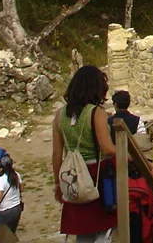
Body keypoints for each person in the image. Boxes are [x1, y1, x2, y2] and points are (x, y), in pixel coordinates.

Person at [52, 65, 117, 243]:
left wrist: (58, 183)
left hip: (73, 175)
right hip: (98, 173)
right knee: (105, 226)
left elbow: (57, 153)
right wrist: (130, 155)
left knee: (83, 229)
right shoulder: (96, 113)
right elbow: (108, 148)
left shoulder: (59, 115)